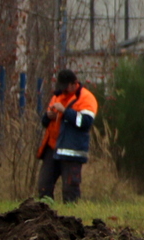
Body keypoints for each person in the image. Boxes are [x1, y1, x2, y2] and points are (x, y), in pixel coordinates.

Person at [36, 69, 98, 203]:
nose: (63, 90)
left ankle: (71, 218)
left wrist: (65, 112)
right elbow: (45, 123)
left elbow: (85, 122)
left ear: (74, 83)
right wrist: (47, 116)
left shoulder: (87, 98)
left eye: (66, 87)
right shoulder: (56, 97)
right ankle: (44, 215)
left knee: (70, 188)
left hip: (72, 150)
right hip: (52, 148)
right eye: (61, 87)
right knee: (43, 186)